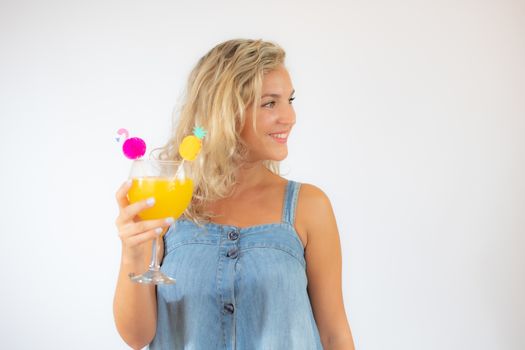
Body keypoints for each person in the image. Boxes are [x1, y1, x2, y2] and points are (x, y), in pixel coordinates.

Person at [113, 39, 355, 350]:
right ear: (224, 111)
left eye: (289, 100)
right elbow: (137, 337)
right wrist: (133, 253)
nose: (289, 117)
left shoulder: (309, 207)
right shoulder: (171, 202)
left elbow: (334, 334)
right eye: (270, 103)